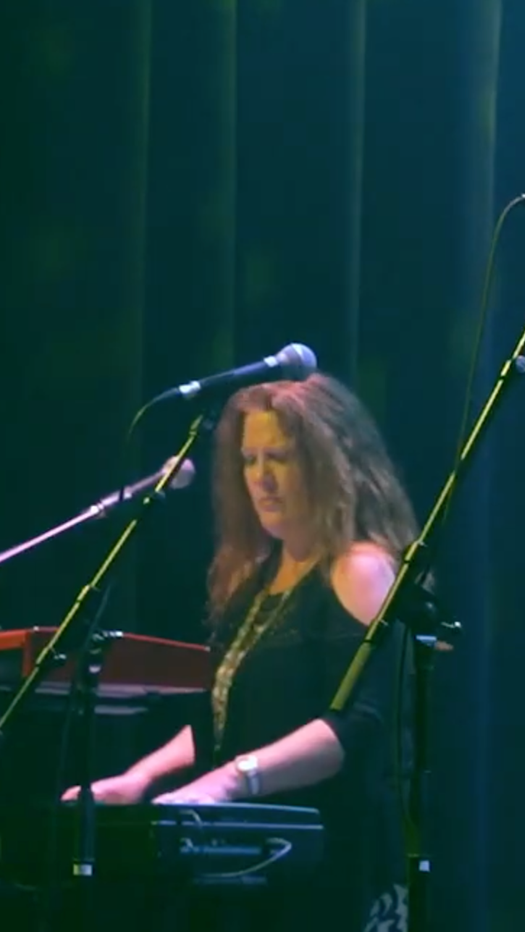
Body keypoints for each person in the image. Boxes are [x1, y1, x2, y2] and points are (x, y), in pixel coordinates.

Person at [64, 373, 415, 931]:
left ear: (330, 463)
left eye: (280, 458)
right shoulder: (253, 579)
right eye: (250, 460)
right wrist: (140, 779)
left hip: (335, 865)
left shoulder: (360, 569)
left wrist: (230, 780)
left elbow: (356, 727)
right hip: (257, 863)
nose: (262, 479)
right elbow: (223, 716)